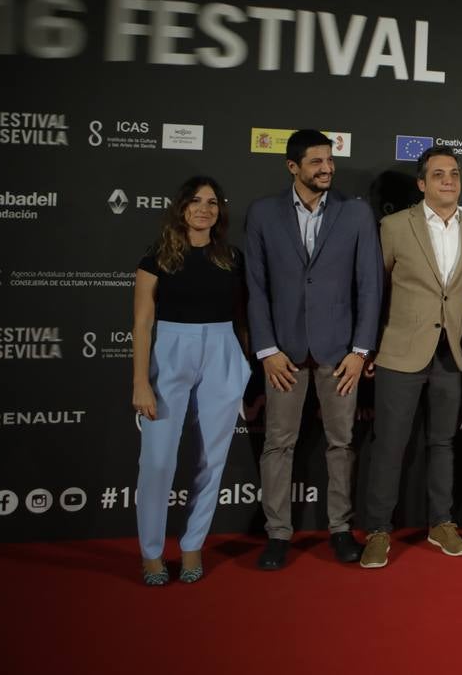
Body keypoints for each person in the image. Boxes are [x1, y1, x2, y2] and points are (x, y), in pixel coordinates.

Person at [246, 129, 383, 570]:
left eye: (329, 161)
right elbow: (256, 288)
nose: (326, 169)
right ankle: (278, 534)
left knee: (341, 444)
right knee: (277, 445)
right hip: (283, 352)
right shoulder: (263, 214)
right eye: (315, 163)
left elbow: (370, 285)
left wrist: (360, 349)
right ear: (293, 167)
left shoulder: (356, 213)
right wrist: (266, 349)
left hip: (339, 351)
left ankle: (340, 529)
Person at [360, 147, 462, 567]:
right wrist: (369, 345)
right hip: (399, 351)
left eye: (454, 173)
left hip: (452, 352)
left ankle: (441, 523)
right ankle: (378, 529)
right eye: (438, 174)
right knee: (390, 445)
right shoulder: (394, 226)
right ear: (421, 183)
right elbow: (373, 291)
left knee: (443, 442)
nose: (448, 181)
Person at [131, 176, 250, 585]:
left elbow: (243, 316)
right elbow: (143, 324)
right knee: (158, 460)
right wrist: (140, 382)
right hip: (171, 352)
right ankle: (151, 553)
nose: (205, 208)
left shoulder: (232, 257)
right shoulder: (156, 258)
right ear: (181, 207)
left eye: (213, 202)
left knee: (211, 460)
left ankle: (193, 544)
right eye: (197, 201)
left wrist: (243, 366)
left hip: (221, 350)